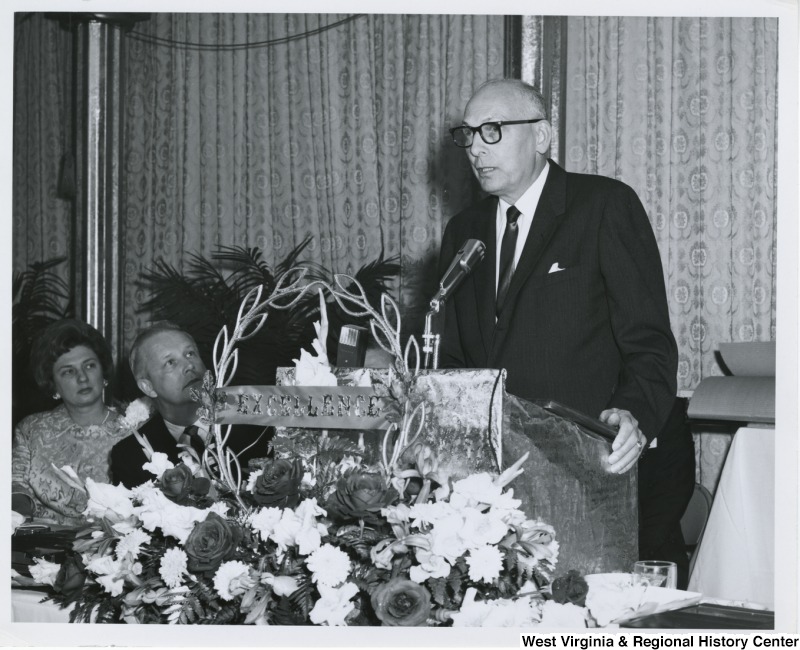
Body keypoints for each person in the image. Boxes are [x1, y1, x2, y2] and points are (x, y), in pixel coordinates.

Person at [439, 79, 693, 584]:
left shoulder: (602, 205)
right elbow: (458, 358)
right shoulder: (462, 231)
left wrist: (633, 415)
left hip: (598, 472)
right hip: (503, 484)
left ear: (541, 135)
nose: (476, 148)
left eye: (492, 130)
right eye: (467, 135)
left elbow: (649, 343)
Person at [110, 321, 270, 488]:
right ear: (148, 387)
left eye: (190, 354)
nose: (189, 366)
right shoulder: (131, 456)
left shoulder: (256, 414)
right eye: (170, 362)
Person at [12, 319, 132, 524]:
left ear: (103, 372)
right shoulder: (32, 429)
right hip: (42, 544)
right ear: (53, 384)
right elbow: (15, 486)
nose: (82, 377)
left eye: (89, 366)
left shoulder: (134, 428)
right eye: (68, 371)